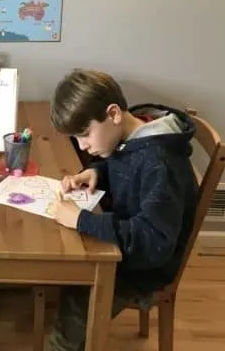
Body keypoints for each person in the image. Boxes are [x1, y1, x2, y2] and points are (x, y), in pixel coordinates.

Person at [46, 69, 198, 351]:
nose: (84, 146)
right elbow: (124, 162)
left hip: (142, 266)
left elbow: (153, 242)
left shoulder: (159, 162)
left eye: (85, 135)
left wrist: (82, 220)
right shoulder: (134, 133)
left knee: (67, 327)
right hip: (125, 243)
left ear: (113, 113)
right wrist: (96, 172)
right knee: (63, 264)